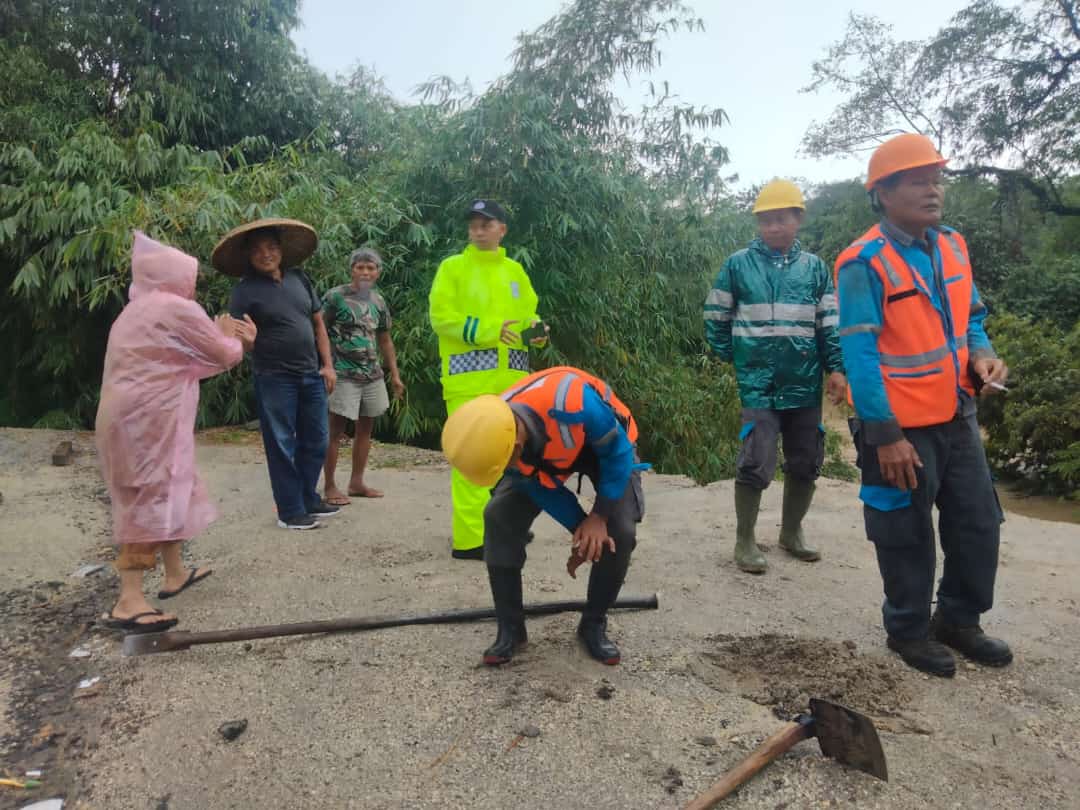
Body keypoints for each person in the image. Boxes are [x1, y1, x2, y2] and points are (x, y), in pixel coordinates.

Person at [834, 133, 1012, 677]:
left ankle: (958, 620)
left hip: (959, 416)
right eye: (918, 182)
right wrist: (885, 435)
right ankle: (908, 631)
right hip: (902, 429)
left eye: (936, 180)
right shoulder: (863, 262)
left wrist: (982, 353)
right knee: (905, 533)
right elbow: (859, 356)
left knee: (978, 522)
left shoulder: (953, 244)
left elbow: (971, 317)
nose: (933, 191)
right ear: (883, 193)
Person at [97, 232, 256, 632]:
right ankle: (129, 599)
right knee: (148, 495)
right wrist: (235, 338)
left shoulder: (133, 311)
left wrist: (221, 340)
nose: (193, 284)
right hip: (149, 419)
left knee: (172, 486)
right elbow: (221, 355)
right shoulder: (176, 308)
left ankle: (174, 571)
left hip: (131, 416)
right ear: (176, 276)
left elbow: (185, 362)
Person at [441, 366, 646, 666]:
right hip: (550, 454)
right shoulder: (496, 433)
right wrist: (581, 529)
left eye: (506, 464)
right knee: (499, 516)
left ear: (517, 445)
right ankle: (511, 628)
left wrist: (599, 518)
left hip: (608, 449)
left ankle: (593, 623)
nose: (507, 469)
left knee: (620, 531)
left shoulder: (576, 404)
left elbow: (617, 455)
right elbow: (539, 486)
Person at [704, 179, 846, 574]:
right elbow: (715, 315)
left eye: (781, 219)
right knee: (755, 460)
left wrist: (836, 368)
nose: (773, 227)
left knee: (806, 460)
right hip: (758, 385)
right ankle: (745, 540)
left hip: (804, 382)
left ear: (798, 218)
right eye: (766, 220)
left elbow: (829, 324)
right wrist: (733, 357)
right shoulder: (737, 265)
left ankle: (791, 533)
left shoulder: (815, 269)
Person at [429, 199, 547, 560]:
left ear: (502, 230)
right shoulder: (452, 269)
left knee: (512, 460)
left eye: (487, 223)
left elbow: (528, 317)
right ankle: (470, 540)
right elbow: (442, 318)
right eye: (474, 224)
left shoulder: (515, 272)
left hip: (513, 384)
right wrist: (493, 331)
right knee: (471, 458)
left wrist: (538, 332)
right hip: (468, 383)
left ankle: (506, 529)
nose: (478, 229)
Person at [214, 218, 340, 530]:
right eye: (257, 250)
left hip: (311, 373)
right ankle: (290, 510)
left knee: (318, 439)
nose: (265, 254)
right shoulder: (245, 291)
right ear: (249, 257)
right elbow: (237, 338)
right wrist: (250, 343)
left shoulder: (300, 278)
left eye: (271, 247)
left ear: (280, 250)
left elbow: (318, 324)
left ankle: (308, 497)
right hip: (273, 376)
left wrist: (328, 365)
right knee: (281, 442)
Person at [321, 247, 404, 504]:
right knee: (334, 431)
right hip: (342, 374)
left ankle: (357, 482)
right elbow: (318, 331)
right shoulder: (335, 297)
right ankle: (330, 486)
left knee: (365, 430)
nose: (366, 272)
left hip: (372, 374)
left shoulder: (379, 301)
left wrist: (395, 374)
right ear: (352, 270)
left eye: (371, 268)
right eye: (361, 267)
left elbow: (385, 339)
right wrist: (326, 366)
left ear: (378, 272)